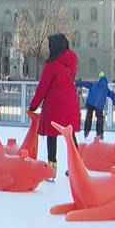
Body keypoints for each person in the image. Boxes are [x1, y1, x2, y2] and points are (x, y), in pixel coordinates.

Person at [28, 33, 80, 181]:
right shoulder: (71, 62)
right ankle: (76, 168)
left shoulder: (52, 65)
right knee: (70, 136)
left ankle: (52, 169)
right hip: (70, 103)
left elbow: (42, 88)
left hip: (55, 105)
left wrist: (33, 106)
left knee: (52, 136)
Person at [76, 72, 115, 140]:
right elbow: (112, 94)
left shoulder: (93, 84)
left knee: (88, 117)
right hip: (99, 105)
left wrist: (77, 83)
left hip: (90, 103)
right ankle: (99, 134)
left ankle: (86, 132)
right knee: (100, 119)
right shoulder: (106, 89)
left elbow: (84, 83)